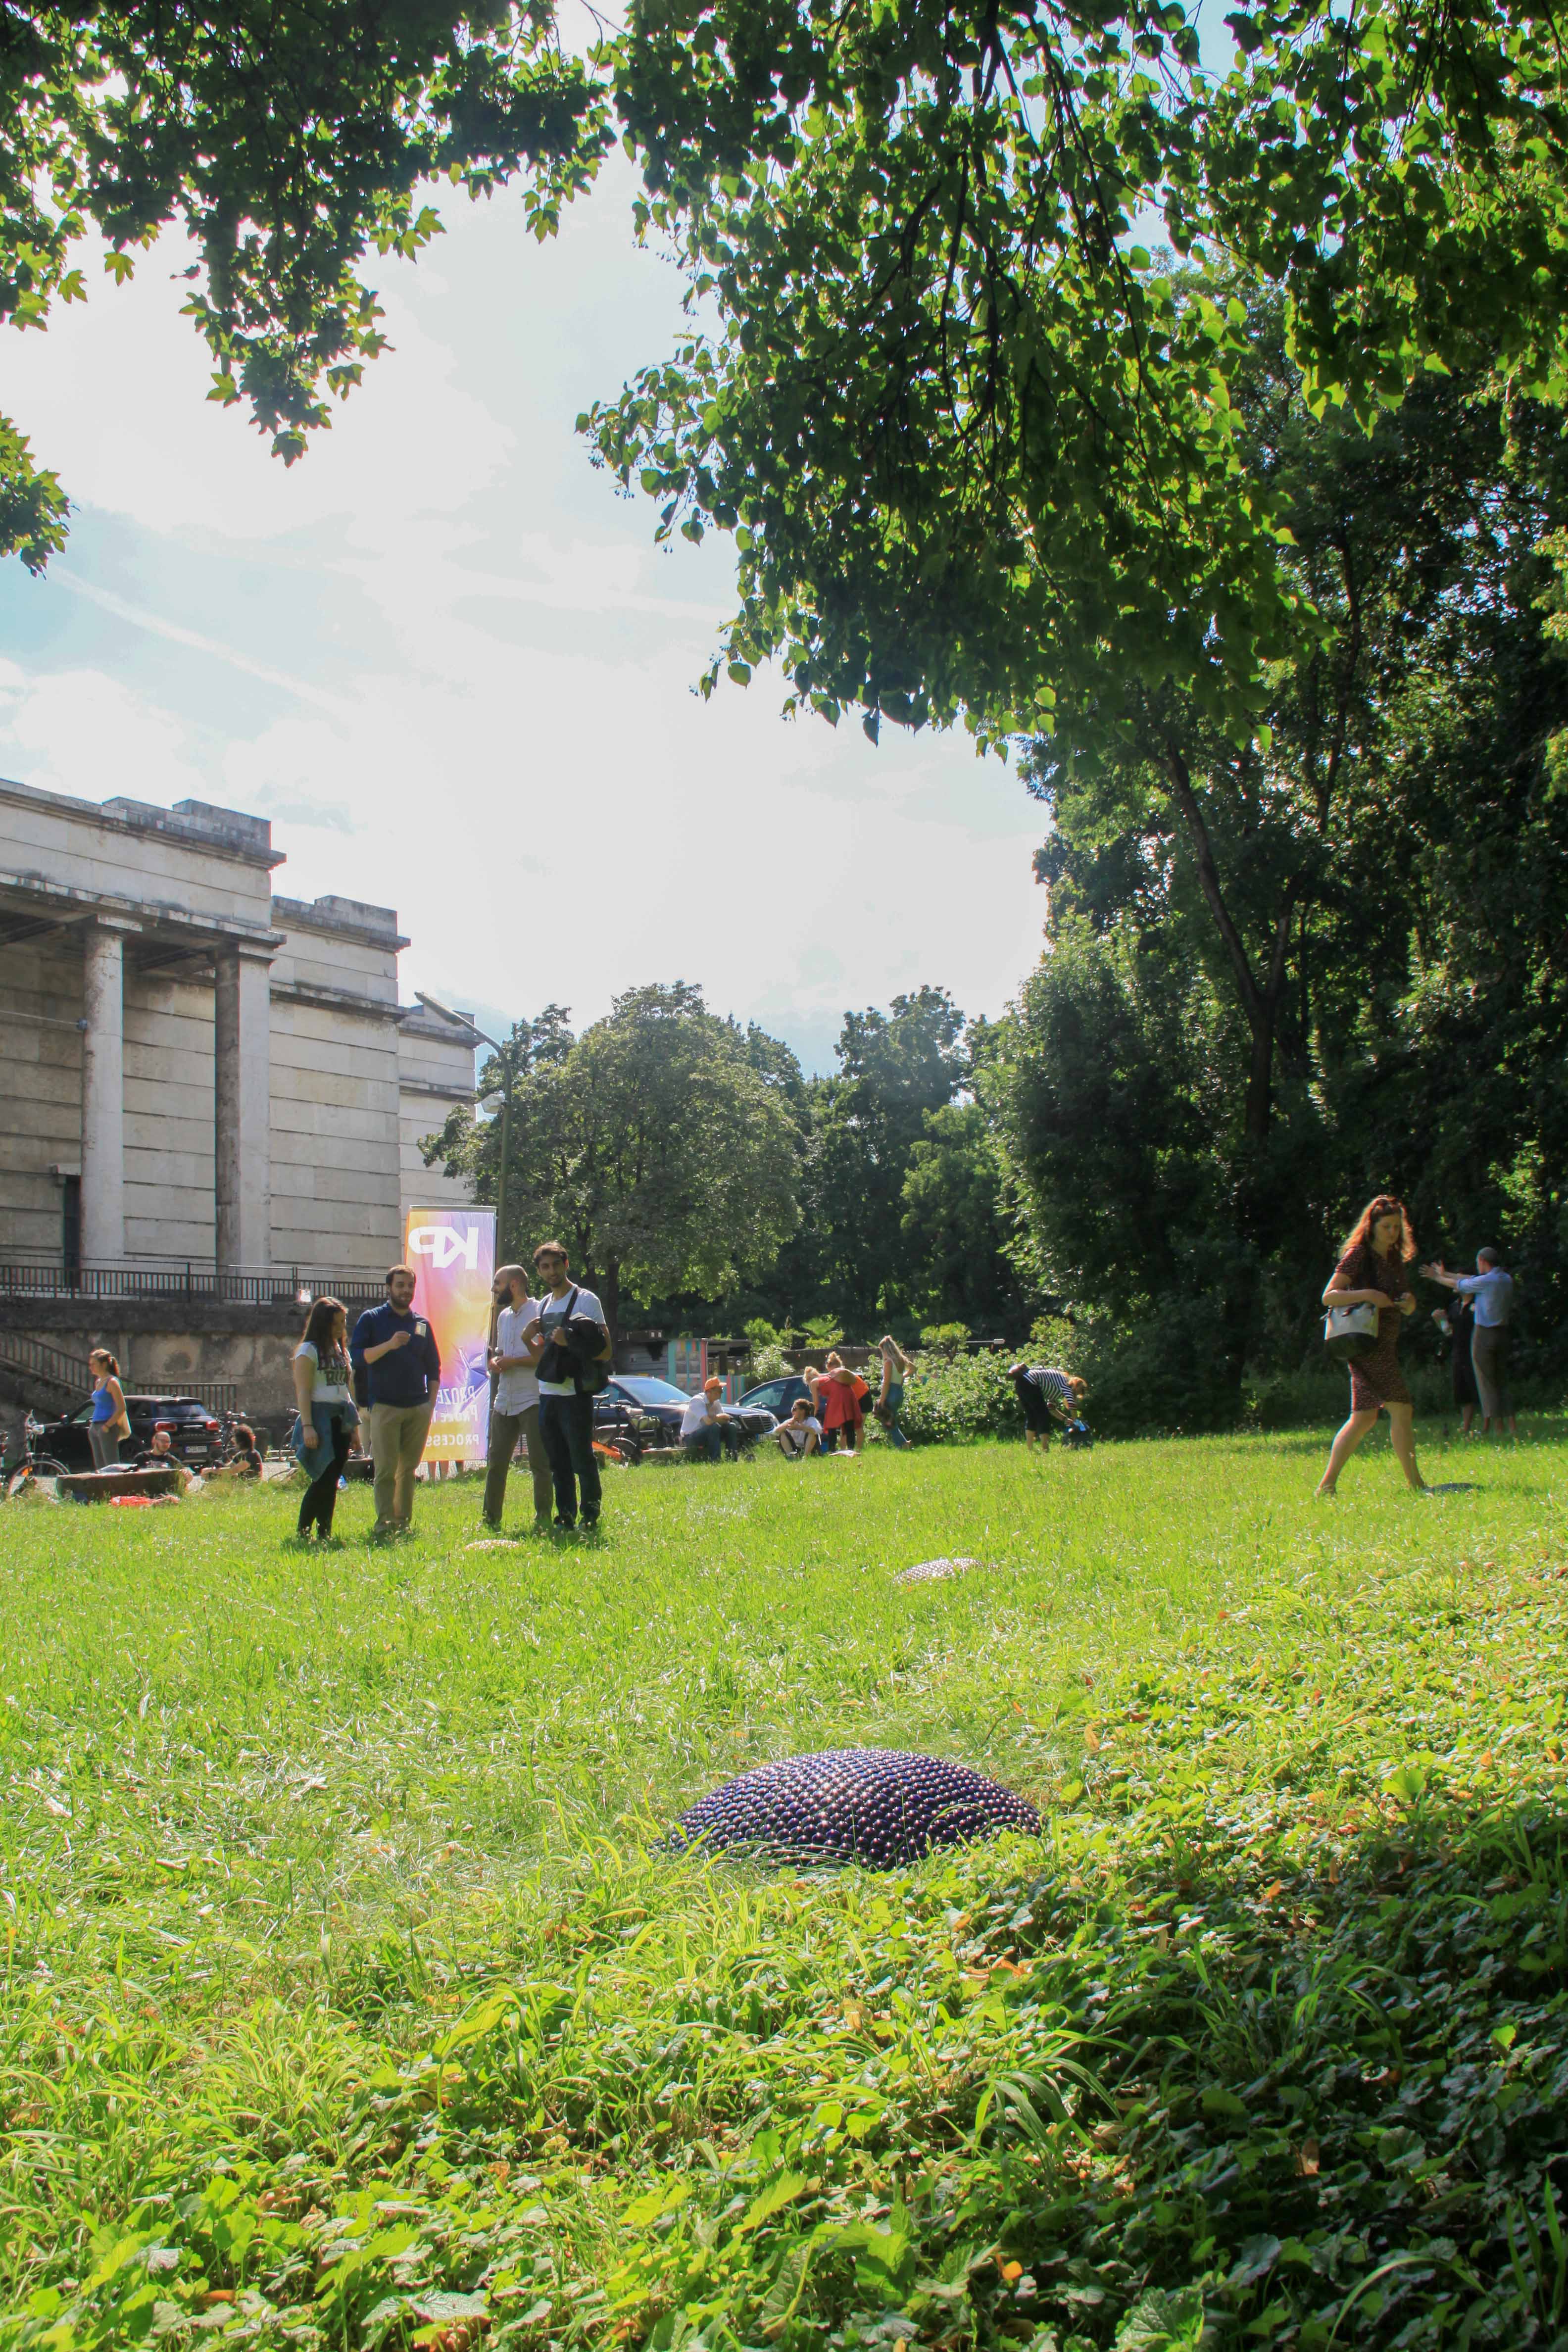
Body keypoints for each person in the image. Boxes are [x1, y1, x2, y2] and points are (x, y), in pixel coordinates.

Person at [1317, 1194, 1427, 1496]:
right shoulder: (1359, 1255)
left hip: (1384, 1343)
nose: (1392, 1233)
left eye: (1397, 1227)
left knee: (1364, 1417)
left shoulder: (1393, 1260)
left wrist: (1409, 1303)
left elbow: (1403, 1300)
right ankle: (1416, 1485)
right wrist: (1368, 1295)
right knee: (1402, 1409)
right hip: (1366, 1345)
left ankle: (1326, 1486)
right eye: (1386, 1227)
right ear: (1372, 1226)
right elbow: (1329, 1296)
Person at [523, 1241, 612, 1531]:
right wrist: (527, 1339)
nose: (552, 1272)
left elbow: (606, 1350)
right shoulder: (544, 1304)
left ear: (566, 1264)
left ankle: (590, 1515)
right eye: (545, 1267)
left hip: (575, 1394)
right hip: (548, 1394)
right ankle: (565, 1516)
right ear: (539, 1272)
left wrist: (569, 1340)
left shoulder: (586, 1300)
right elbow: (543, 1359)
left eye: (556, 1265)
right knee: (557, 1462)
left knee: (581, 1459)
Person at [351, 1265, 443, 1538]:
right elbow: (358, 1358)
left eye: (410, 1285)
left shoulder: (422, 1324)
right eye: (400, 1285)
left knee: (408, 1469)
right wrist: (389, 1345)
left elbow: (434, 1368)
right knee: (385, 1469)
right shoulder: (372, 1319)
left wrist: (430, 1405)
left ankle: (402, 1522)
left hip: (418, 1408)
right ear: (389, 1288)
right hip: (385, 1406)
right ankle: (384, 1523)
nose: (406, 1291)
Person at [483, 1262, 554, 1530]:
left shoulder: (539, 1311)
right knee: (496, 1464)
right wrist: (496, 1361)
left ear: (513, 1285)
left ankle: (543, 1519)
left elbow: (544, 1357)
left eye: (497, 1284)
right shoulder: (503, 1317)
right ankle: (490, 1520)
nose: (494, 1289)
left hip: (533, 1399)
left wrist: (513, 1362)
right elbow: (501, 1353)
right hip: (504, 1400)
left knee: (540, 1463)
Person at [1421, 1248, 1516, 1438]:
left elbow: (1459, 1284)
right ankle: (1512, 1428)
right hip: (1503, 1334)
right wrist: (1446, 1273)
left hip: (1484, 1335)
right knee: (1501, 1381)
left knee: (1486, 1382)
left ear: (1482, 1260)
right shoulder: (1505, 1279)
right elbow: (1468, 1279)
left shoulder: (1486, 1282)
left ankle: (1498, 1429)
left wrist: (1437, 1278)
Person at [291, 1295, 361, 1541]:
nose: (341, 1328)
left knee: (333, 1479)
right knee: (323, 1477)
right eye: (336, 1323)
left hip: (341, 1418)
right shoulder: (308, 1351)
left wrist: (354, 1429)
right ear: (322, 1323)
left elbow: (346, 1391)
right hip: (320, 1419)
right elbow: (303, 1391)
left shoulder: (342, 1351)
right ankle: (303, 1530)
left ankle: (325, 1532)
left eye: (343, 1322)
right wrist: (308, 1426)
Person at [1431, 1287, 1479, 1436]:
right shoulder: (1454, 1306)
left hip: (1476, 1350)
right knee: (1463, 1391)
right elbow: (1449, 1332)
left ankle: (1488, 1425)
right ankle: (1466, 1426)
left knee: (1479, 1388)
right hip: (1459, 1352)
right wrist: (1440, 1320)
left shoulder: (1478, 1303)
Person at [1009, 1363, 1087, 1451]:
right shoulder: (1067, 1384)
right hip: (1031, 1382)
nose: (1077, 1394)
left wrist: (1065, 1419)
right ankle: (1045, 1449)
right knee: (1044, 1416)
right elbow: (1072, 1405)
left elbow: (1051, 1408)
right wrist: (1077, 1422)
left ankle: (1030, 1449)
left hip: (1020, 1382)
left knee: (1031, 1416)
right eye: (1079, 1391)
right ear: (1076, 1386)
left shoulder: (1057, 1387)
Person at [816, 1353, 869, 1455]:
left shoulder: (839, 1374)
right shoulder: (843, 1374)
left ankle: (854, 1450)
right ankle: (847, 1449)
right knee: (849, 1424)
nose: (829, 1371)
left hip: (860, 1398)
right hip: (859, 1398)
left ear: (832, 1366)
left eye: (829, 1369)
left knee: (855, 1426)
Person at [682, 1375, 742, 1462]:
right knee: (714, 1427)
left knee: (731, 1427)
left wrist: (724, 1419)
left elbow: (725, 1420)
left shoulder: (716, 1402)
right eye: (719, 1390)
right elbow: (708, 1422)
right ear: (710, 1391)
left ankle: (732, 1458)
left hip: (709, 1433)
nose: (722, 1392)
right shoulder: (697, 1401)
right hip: (691, 1437)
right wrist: (719, 1417)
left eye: (722, 1390)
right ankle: (716, 1460)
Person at [86, 1349, 129, 1470]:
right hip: (95, 1425)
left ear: (104, 1364)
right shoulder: (98, 1382)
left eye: (94, 1364)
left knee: (111, 1465)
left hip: (107, 1426)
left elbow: (122, 1407)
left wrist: (107, 1426)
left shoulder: (112, 1382)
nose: (91, 1367)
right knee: (100, 1467)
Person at [875, 1337, 913, 1449]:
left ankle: (903, 1445)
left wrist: (882, 1400)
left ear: (885, 1350)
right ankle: (904, 1444)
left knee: (887, 1421)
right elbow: (913, 1368)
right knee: (891, 1419)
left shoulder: (888, 1362)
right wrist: (903, 1377)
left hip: (890, 1392)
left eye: (882, 1351)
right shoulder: (900, 1360)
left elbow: (886, 1383)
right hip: (899, 1392)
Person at [775, 1396, 822, 1460]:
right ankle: (791, 1457)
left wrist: (799, 1428)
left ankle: (805, 1458)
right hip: (796, 1449)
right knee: (782, 1432)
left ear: (802, 1411)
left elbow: (819, 1430)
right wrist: (787, 1425)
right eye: (792, 1409)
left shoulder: (811, 1420)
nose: (792, 1411)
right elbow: (775, 1432)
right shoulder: (790, 1421)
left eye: (794, 1409)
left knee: (812, 1433)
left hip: (811, 1450)